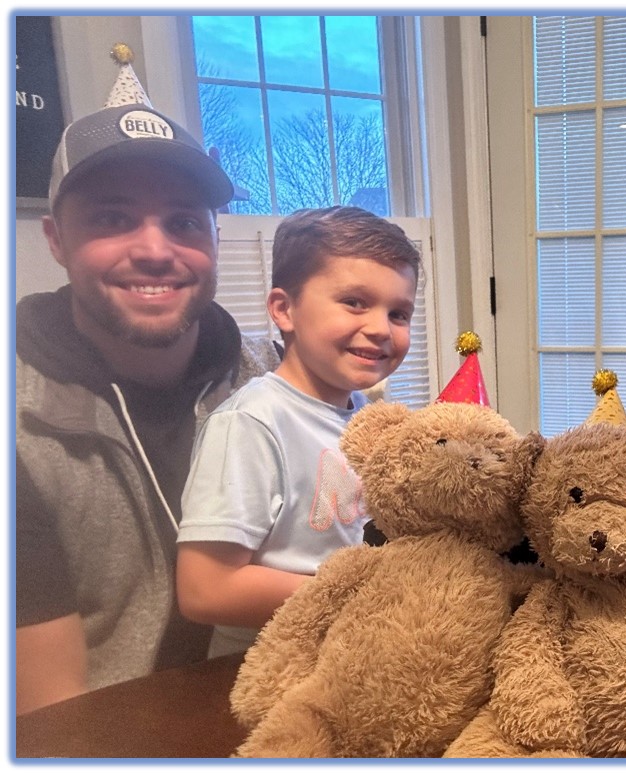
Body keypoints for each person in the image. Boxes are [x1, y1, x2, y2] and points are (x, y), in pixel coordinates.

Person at [15, 45, 280, 715]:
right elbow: (55, 717)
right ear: (56, 239)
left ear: (216, 241)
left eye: (185, 221)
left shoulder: (279, 381)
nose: (157, 248)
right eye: (112, 217)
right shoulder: (19, 429)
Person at [175, 206, 421, 657]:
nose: (380, 329)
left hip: (355, 656)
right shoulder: (251, 422)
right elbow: (205, 589)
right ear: (284, 310)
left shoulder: (366, 417)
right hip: (268, 670)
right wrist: (364, 597)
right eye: (354, 302)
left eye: (399, 313)